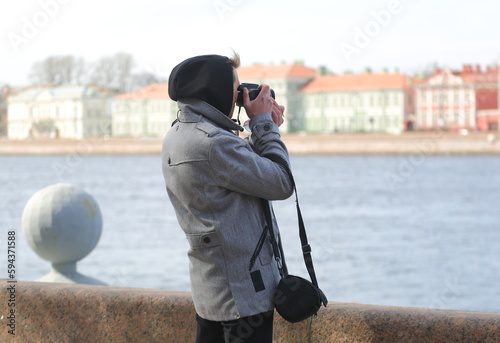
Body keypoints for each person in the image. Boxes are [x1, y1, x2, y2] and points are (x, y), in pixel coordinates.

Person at [162, 53, 293, 343]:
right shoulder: (214, 144)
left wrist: (262, 126)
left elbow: (232, 171)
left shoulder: (177, 135)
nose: (239, 96)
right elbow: (281, 182)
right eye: (236, 88)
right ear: (216, 90)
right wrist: (263, 124)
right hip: (244, 294)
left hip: (212, 289)